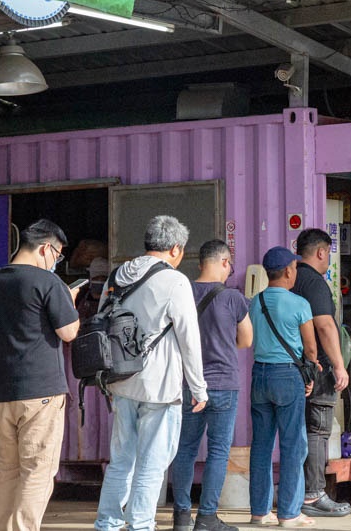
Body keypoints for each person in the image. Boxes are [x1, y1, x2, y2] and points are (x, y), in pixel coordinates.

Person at [95, 216, 208, 531]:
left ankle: (107, 522)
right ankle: (141, 524)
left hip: (120, 380)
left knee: (121, 459)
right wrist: (198, 388)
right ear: (175, 249)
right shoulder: (175, 281)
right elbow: (188, 337)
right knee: (151, 464)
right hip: (159, 386)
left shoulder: (118, 275)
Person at [0, 219, 80, 531]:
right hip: (42, 392)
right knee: (37, 470)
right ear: (46, 249)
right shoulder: (49, 284)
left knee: (9, 469)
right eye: (58, 256)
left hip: (3, 391)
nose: (56, 262)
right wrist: (69, 304)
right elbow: (69, 332)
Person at [171, 240, 252, 531]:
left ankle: (181, 516)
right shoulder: (232, 298)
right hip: (224, 385)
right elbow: (246, 340)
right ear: (223, 262)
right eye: (229, 264)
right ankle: (206, 517)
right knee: (218, 451)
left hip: (190, 384)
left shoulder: (183, 292)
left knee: (185, 449)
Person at [248, 247, 318, 528]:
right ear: (289, 271)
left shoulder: (255, 302)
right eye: (295, 267)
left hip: (259, 376)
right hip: (288, 377)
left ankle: (260, 512)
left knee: (261, 446)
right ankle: (289, 513)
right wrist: (310, 374)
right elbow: (311, 348)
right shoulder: (300, 304)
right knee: (293, 446)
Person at [290, 229, 351, 518]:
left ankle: (296, 492)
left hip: (291, 369)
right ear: (321, 252)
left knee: (297, 431)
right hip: (316, 369)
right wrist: (339, 366)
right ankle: (313, 495)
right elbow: (325, 326)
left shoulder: (288, 279)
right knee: (317, 431)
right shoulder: (315, 282)